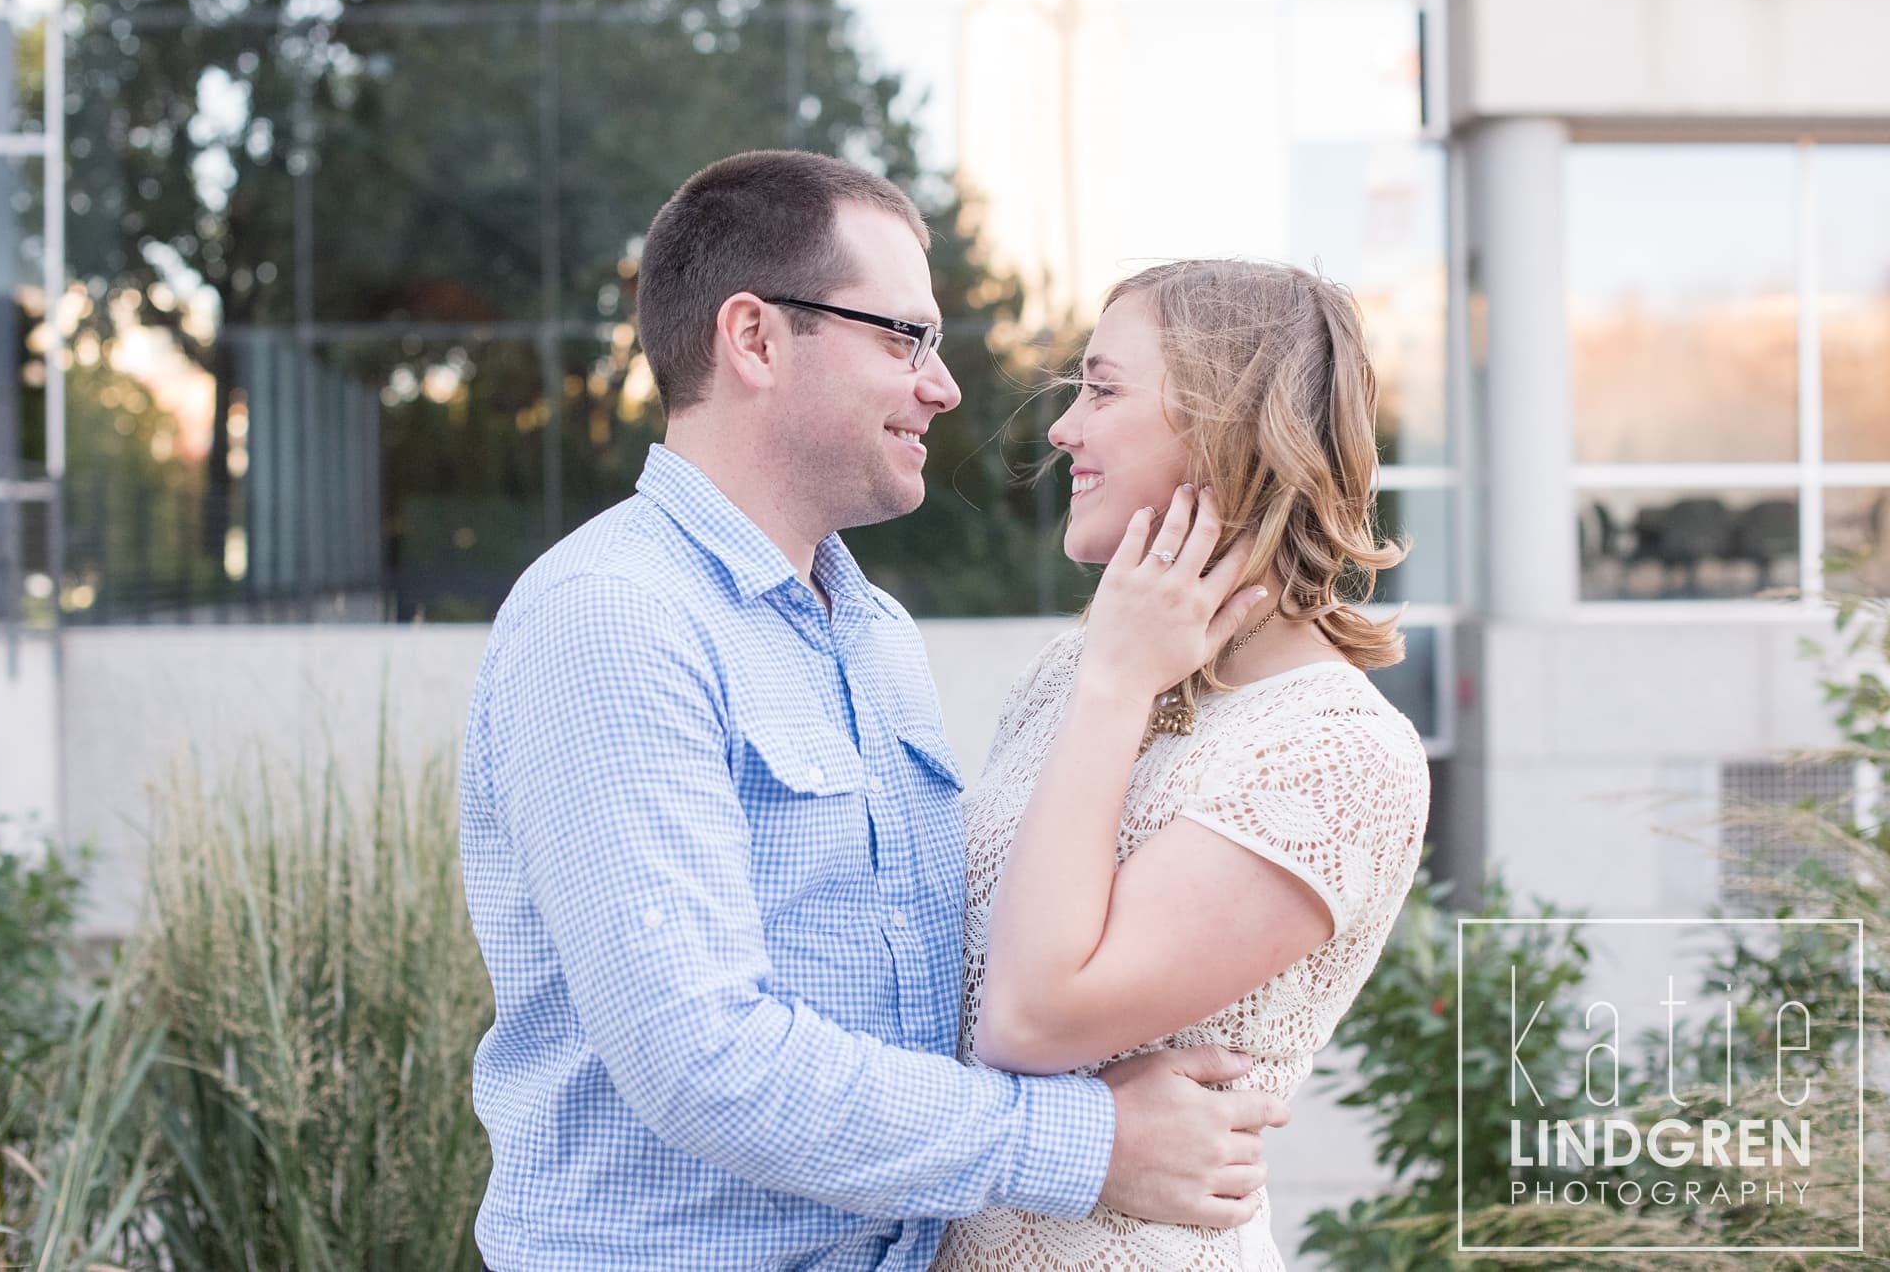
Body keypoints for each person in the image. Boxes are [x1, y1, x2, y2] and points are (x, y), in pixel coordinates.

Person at [457, 153, 1289, 1272]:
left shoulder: (874, 634)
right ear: (752, 339)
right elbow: (699, 1057)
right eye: (902, 338)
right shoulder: (613, 619)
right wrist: (1093, 1140)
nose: (943, 386)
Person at [930, 260, 1433, 1271]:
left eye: (1101, 387)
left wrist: (1117, 687)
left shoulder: (1341, 752)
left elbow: (1033, 1016)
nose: (1063, 427)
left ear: (1224, 423)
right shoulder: (1071, 670)